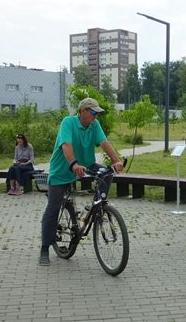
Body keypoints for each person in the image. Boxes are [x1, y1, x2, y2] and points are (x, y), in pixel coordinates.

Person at [39, 98, 124, 266]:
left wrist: (116, 161)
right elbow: (66, 146)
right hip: (63, 170)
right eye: (93, 113)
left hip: (85, 166)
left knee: (107, 173)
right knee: (53, 207)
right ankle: (44, 248)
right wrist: (73, 164)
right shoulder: (68, 122)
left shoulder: (94, 125)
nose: (96, 117)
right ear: (83, 111)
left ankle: (99, 204)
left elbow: (104, 143)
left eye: (97, 114)